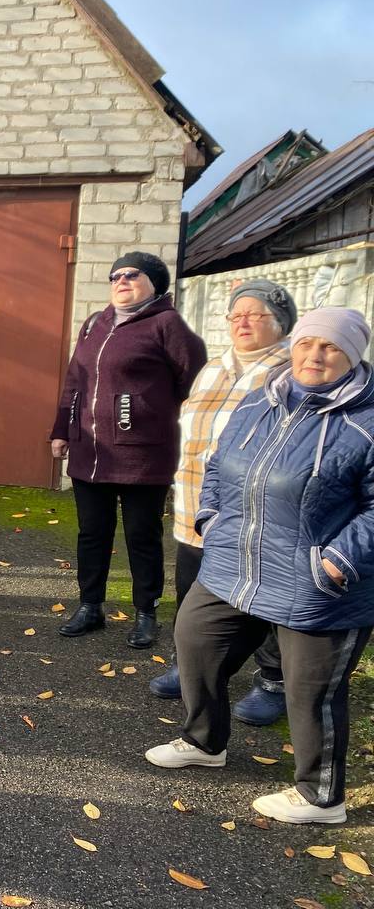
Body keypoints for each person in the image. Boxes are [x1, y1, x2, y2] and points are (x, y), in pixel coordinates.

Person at [146, 308, 374, 826]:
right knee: (196, 641)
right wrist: (211, 515)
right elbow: (217, 463)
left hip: (316, 578)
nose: (313, 356)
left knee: (311, 691)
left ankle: (322, 798)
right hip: (236, 562)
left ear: (353, 354)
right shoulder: (261, 399)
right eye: (306, 344)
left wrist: (339, 561)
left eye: (330, 348)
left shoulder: (366, 419)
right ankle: (204, 742)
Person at [150, 280, 296, 726]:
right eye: (236, 315)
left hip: (257, 514)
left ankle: (273, 680)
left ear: (282, 323)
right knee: (193, 591)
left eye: (256, 314)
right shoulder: (214, 367)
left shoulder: (292, 370)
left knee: (265, 600)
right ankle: (194, 666)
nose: (243, 322)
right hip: (195, 504)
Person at [49, 251, 206, 647]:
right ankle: (90, 606)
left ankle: (145, 612)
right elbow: (74, 382)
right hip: (91, 451)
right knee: (92, 534)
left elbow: (196, 385)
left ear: (155, 283)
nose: (121, 281)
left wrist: (152, 414)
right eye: (114, 275)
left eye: (131, 275)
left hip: (143, 456)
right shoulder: (94, 324)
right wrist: (61, 430)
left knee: (142, 535)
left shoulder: (167, 324)